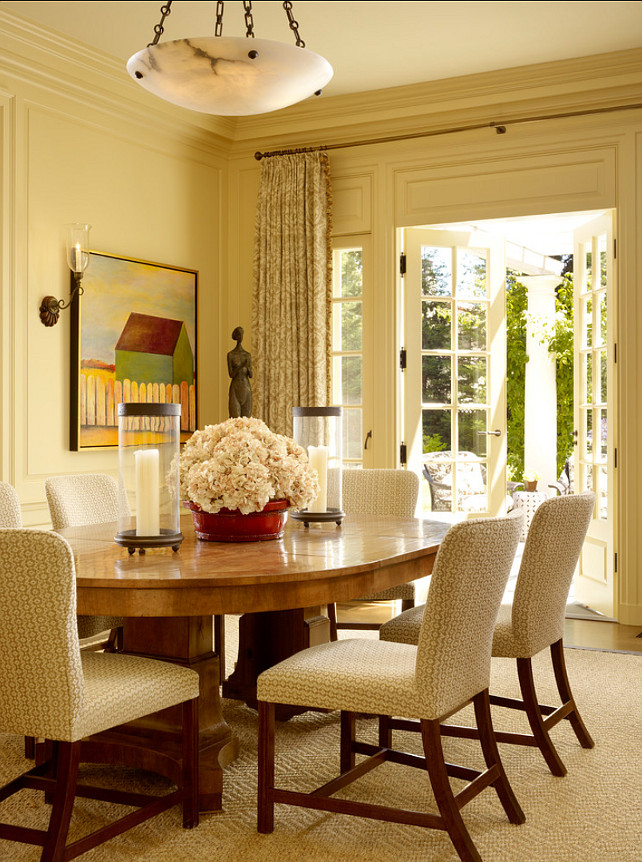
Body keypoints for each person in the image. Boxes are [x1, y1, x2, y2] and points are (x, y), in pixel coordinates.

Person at [227, 326, 252, 418]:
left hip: (246, 388)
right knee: (235, 419)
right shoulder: (231, 355)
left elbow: (251, 375)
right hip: (235, 388)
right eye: (239, 334)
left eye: (242, 334)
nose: (241, 336)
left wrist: (248, 367)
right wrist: (242, 366)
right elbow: (231, 374)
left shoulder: (247, 355)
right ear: (236, 336)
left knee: (246, 420)